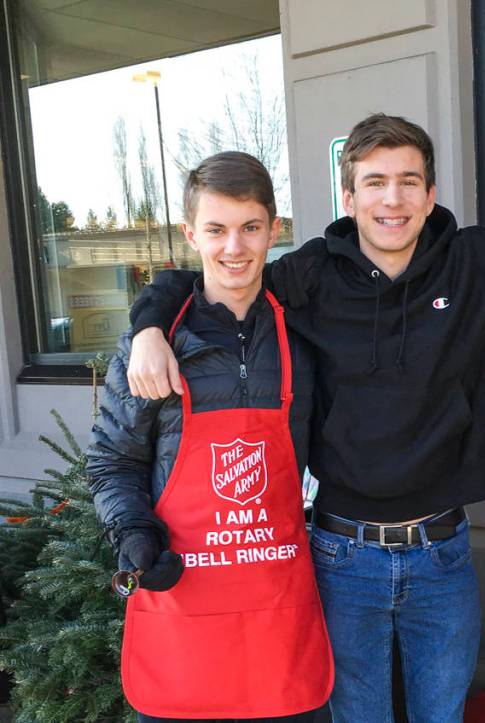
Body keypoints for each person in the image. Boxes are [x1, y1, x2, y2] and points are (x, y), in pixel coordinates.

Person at [123, 114, 485, 723]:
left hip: (443, 553)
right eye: (374, 182)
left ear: (430, 194)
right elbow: (209, 272)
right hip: (344, 556)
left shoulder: (474, 260)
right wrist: (147, 328)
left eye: (407, 181)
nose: (391, 199)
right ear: (349, 197)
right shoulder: (310, 273)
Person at [86, 152, 333, 722]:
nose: (234, 248)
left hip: (281, 619)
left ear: (274, 230)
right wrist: (133, 534)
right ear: (190, 233)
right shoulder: (156, 345)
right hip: (182, 613)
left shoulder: (303, 332)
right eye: (216, 229)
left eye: (250, 228)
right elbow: (111, 462)